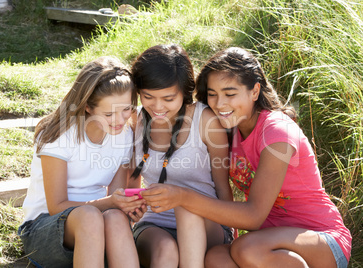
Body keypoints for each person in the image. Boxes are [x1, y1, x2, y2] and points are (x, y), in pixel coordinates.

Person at [140, 47, 352, 268]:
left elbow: (253, 216)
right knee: (215, 258)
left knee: (247, 248)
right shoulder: (230, 130)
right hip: (268, 241)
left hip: (321, 239)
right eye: (213, 94)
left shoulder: (277, 132)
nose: (220, 104)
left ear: (254, 91)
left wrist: (183, 197)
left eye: (230, 94)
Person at [18, 56, 146, 268]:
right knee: (89, 216)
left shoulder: (123, 135)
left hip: (97, 230)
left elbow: (115, 196)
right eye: (109, 113)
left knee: (115, 217)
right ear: (88, 107)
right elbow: (56, 206)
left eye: (126, 109)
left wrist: (127, 207)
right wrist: (111, 202)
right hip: (45, 231)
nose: (120, 120)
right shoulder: (60, 136)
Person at [129, 44, 234, 268]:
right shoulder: (135, 121)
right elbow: (132, 182)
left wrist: (230, 233)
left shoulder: (205, 121)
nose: (157, 106)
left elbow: (223, 186)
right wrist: (133, 208)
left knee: (187, 208)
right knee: (166, 251)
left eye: (168, 98)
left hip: (207, 221)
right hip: (155, 223)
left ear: (184, 92)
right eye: (148, 97)